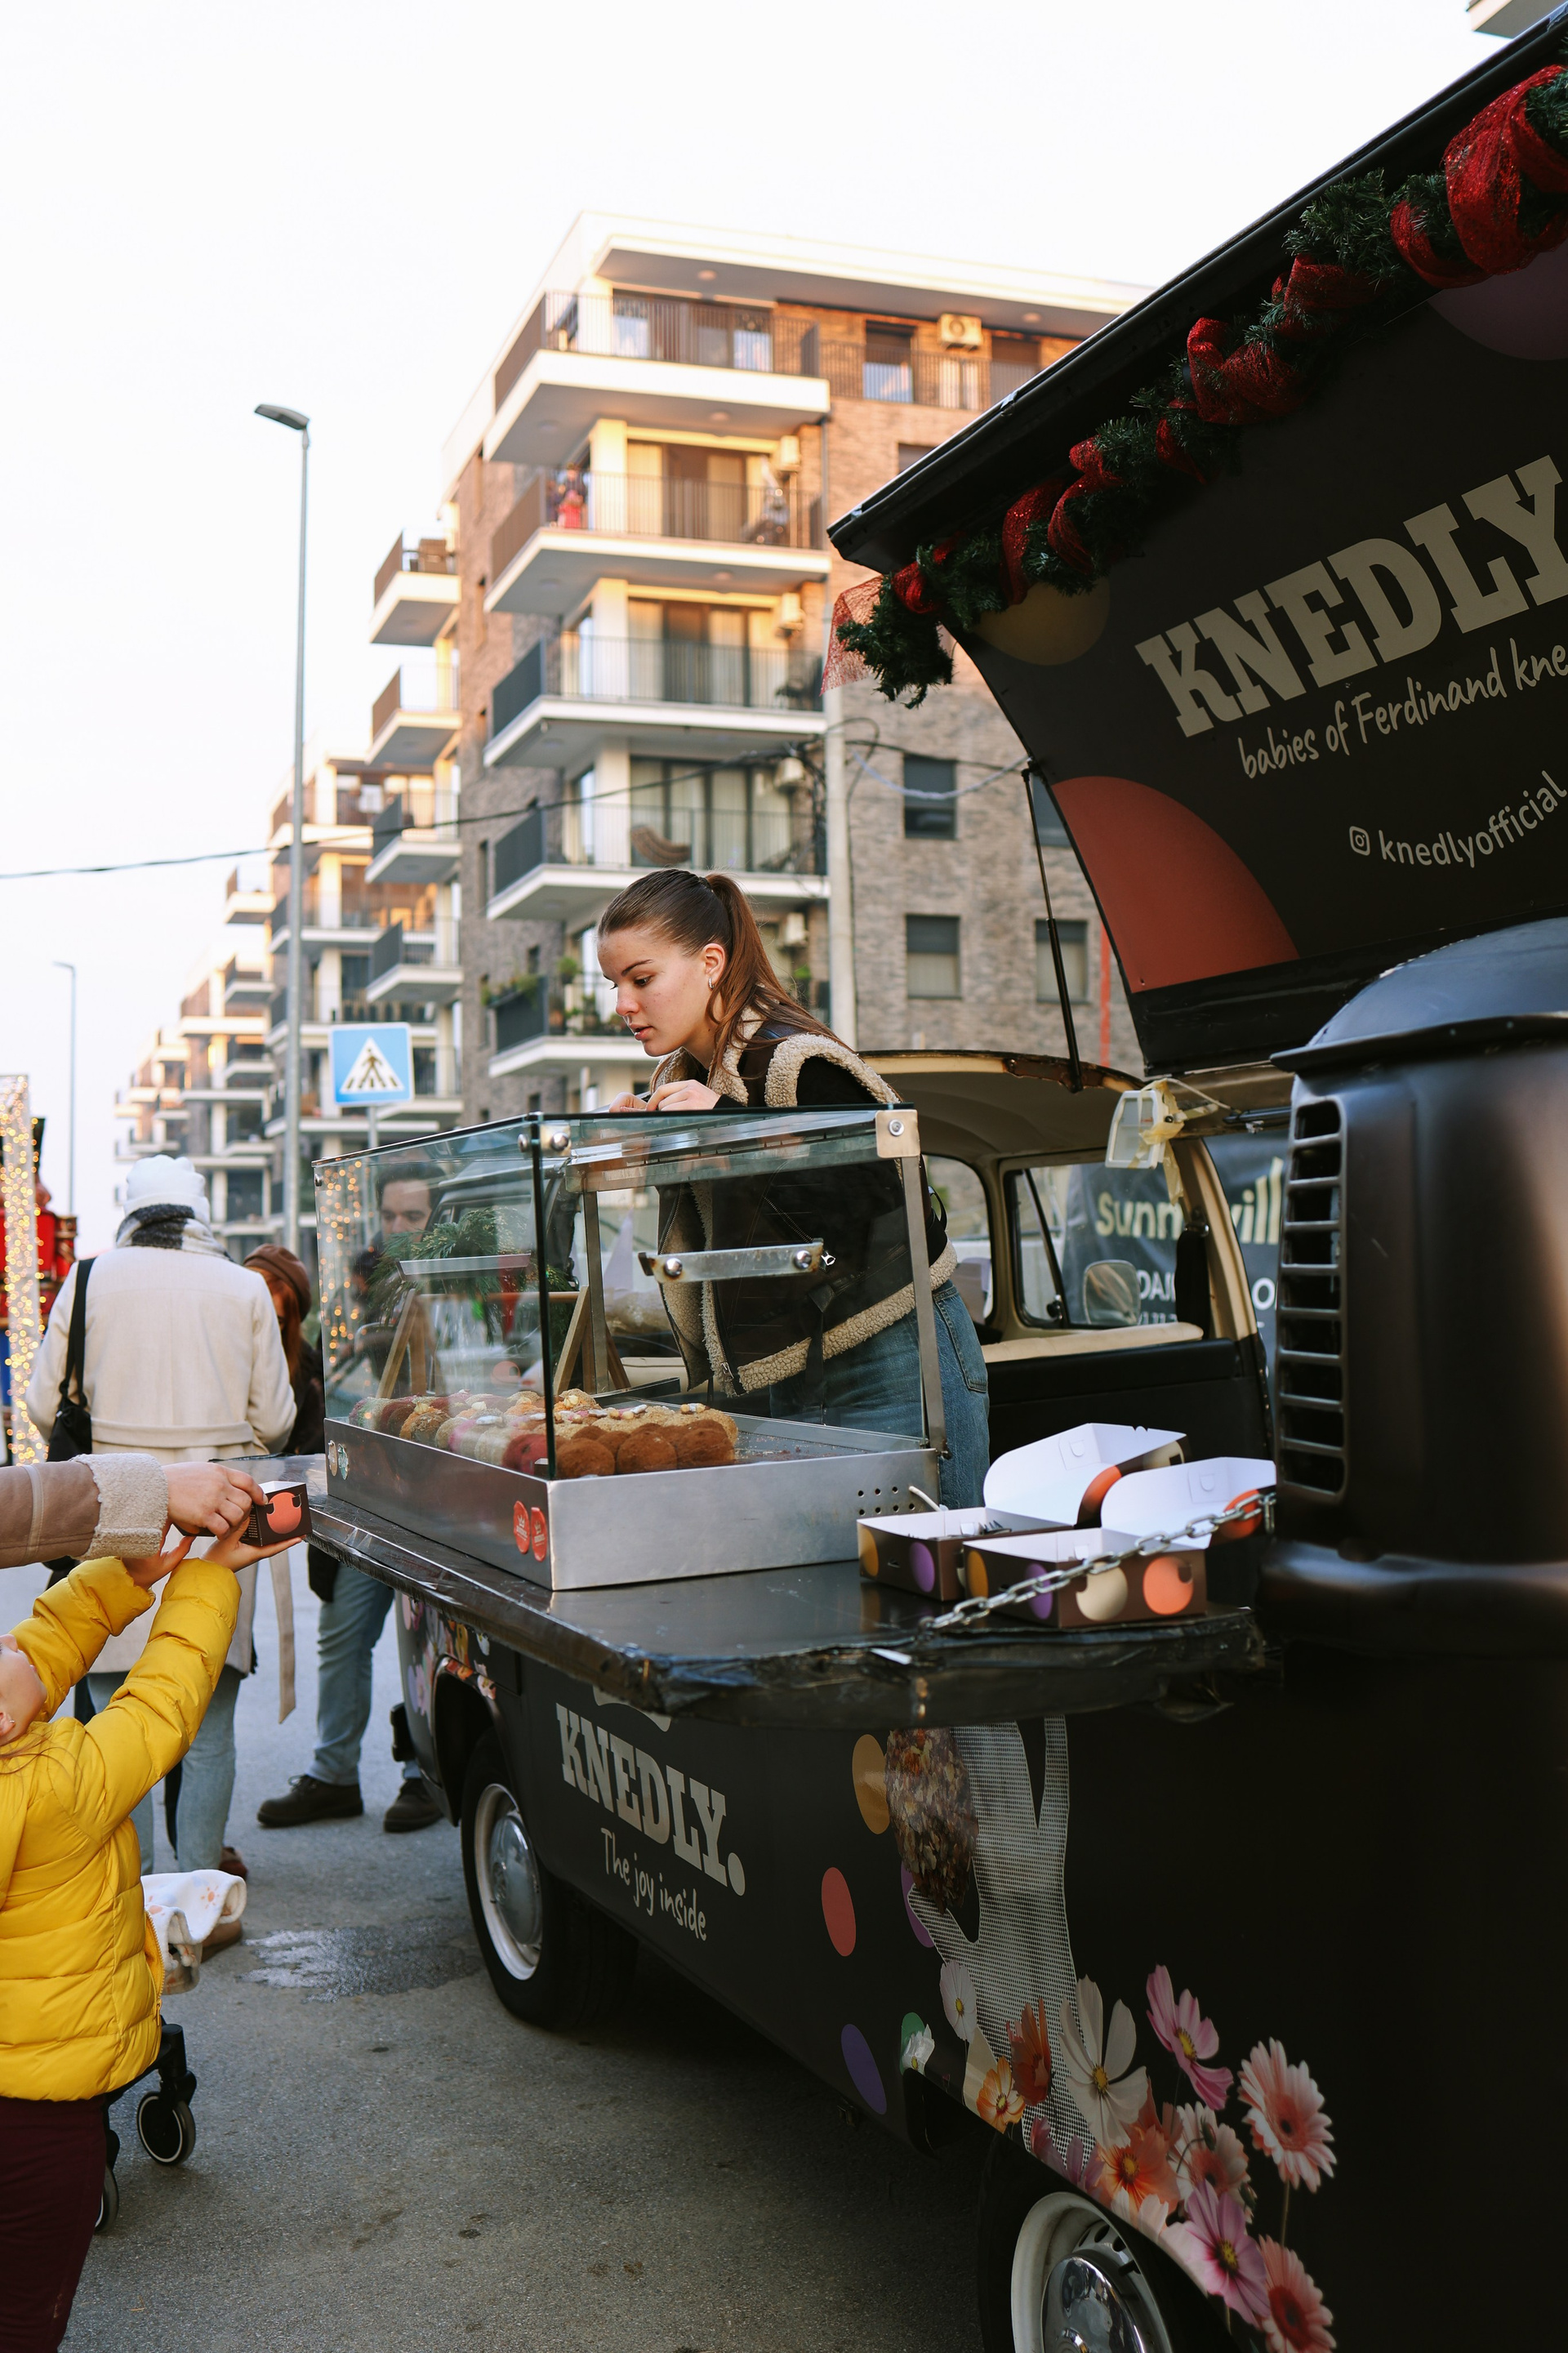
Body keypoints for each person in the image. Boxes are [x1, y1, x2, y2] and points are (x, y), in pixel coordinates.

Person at [599, 867, 990, 1505]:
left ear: (711, 963)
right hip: (788, 1368)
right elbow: (745, 1220)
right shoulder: (686, 1077)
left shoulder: (796, 1060)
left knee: (924, 1560)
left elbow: (879, 1208)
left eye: (641, 979)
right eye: (614, 983)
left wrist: (730, 1128)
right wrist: (649, 1145)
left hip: (892, 1355)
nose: (622, 1004)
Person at [0, 1517, 289, 2353]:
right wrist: (210, 1575)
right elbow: (162, 1700)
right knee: (24, 2319)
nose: (13, 1644)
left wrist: (126, 1574)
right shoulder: (58, 1786)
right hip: (41, 2116)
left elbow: (41, 1647)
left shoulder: (24, 1756)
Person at [26, 1156, 296, 1877]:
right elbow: (277, 1420)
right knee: (208, 1723)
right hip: (222, 1517)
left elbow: (43, 1405)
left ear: (132, 1209)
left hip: (116, 1517)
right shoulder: (243, 1287)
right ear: (199, 1212)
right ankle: (201, 1896)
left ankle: (137, 1894)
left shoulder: (88, 1279)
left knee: (118, 1726)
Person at [257, 1158, 441, 1834]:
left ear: (436, 1217)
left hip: (440, 1487)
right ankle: (333, 1774)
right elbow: (325, 1370)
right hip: (367, 1484)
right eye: (389, 1215)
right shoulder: (361, 1278)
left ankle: (425, 1773)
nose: (397, 1227)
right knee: (341, 1631)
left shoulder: (459, 1275)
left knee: (427, 1635)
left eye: (412, 1215)